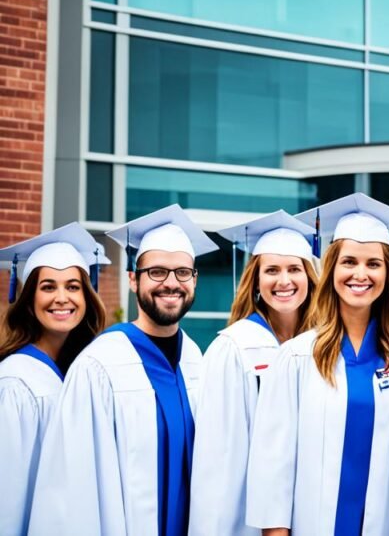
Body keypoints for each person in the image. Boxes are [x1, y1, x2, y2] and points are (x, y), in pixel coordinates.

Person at [28, 204, 219, 536]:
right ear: (133, 280)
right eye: (157, 272)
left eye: (182, 272)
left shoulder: (195, 358)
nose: (171, 283)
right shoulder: (99, 364)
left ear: (194, 280)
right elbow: (72, 488)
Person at [246, 193, 389, 535]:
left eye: (373, 264)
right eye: (349, 262)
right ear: (331, 271)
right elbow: (273, 468)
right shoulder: (296, 358)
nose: (360, 274)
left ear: (388, 275)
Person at [188, 211, 319, 535]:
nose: (284, 280)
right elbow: (218, 461)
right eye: (271, 270)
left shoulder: (323, 345)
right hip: (248, 519)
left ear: (310, 277)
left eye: (294, 269)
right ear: (256, 281)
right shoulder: (234, 348)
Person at [0, 223, 109, 534]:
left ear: (87, 296)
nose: (62, 298)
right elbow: (6, 499)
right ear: (29, 300)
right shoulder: (15, 384)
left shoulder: (85, 369)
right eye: (48, 287)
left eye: (73, 286)